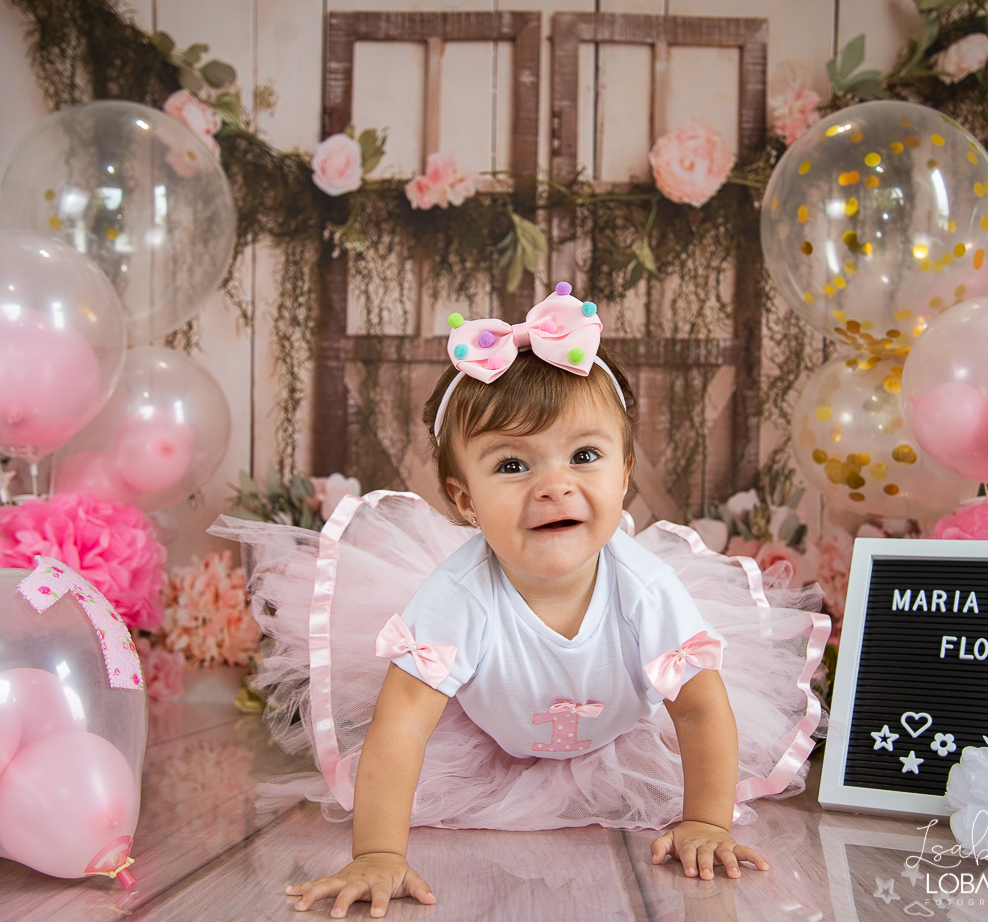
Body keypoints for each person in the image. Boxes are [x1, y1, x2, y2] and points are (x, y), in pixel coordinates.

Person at [211, 283, 828, 919]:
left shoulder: (645, 590)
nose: (555, 485)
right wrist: (377, 854)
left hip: (619, 737)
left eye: (585, 455)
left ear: (624, 473)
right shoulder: (457, 597)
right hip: (491, 736)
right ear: (465, 499)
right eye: (512, 466)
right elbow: (402, 727)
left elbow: (699, 712)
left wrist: (706, 821)